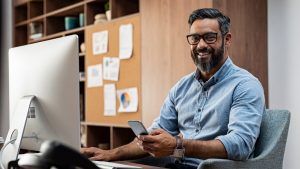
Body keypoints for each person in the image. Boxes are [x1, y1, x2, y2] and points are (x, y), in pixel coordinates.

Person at [81, 8, 265, 169]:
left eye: (210, 37)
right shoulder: (181, 88)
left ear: (227, 39)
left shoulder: (245, 85)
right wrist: (111, 154)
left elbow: (240, 145)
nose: (201, 45)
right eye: (195, 38)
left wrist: (178, 144)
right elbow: (154, 134)